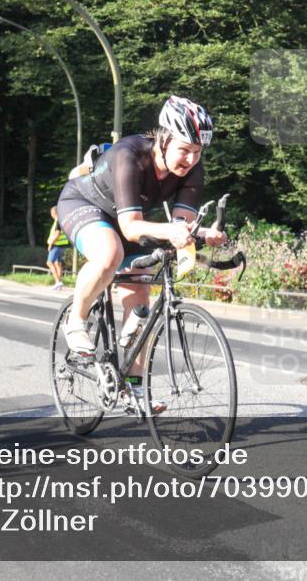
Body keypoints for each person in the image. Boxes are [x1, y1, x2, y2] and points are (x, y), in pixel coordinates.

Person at [55, 96, 227, 409]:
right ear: (163, 139)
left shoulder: (193, 170)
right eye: (184, 150)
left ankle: (133, 389)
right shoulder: (129, 154)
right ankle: (76, 321)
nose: (190, 159)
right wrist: (172, 231)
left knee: (140, 308)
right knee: (109, 253)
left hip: (129, 216)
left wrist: (201, 233)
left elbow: (181, 225)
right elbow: (132, 227)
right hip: (86, 204)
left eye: (197, 152)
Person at [45, 206, 70, 290]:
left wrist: (50, 244)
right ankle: (59, 284)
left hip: (56, 245)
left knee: (49, 262)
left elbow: (57, 234)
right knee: (58, 263)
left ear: (53, 213)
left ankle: (58, 282)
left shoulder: (58, 221)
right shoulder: (62, 221)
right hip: (62, 245)